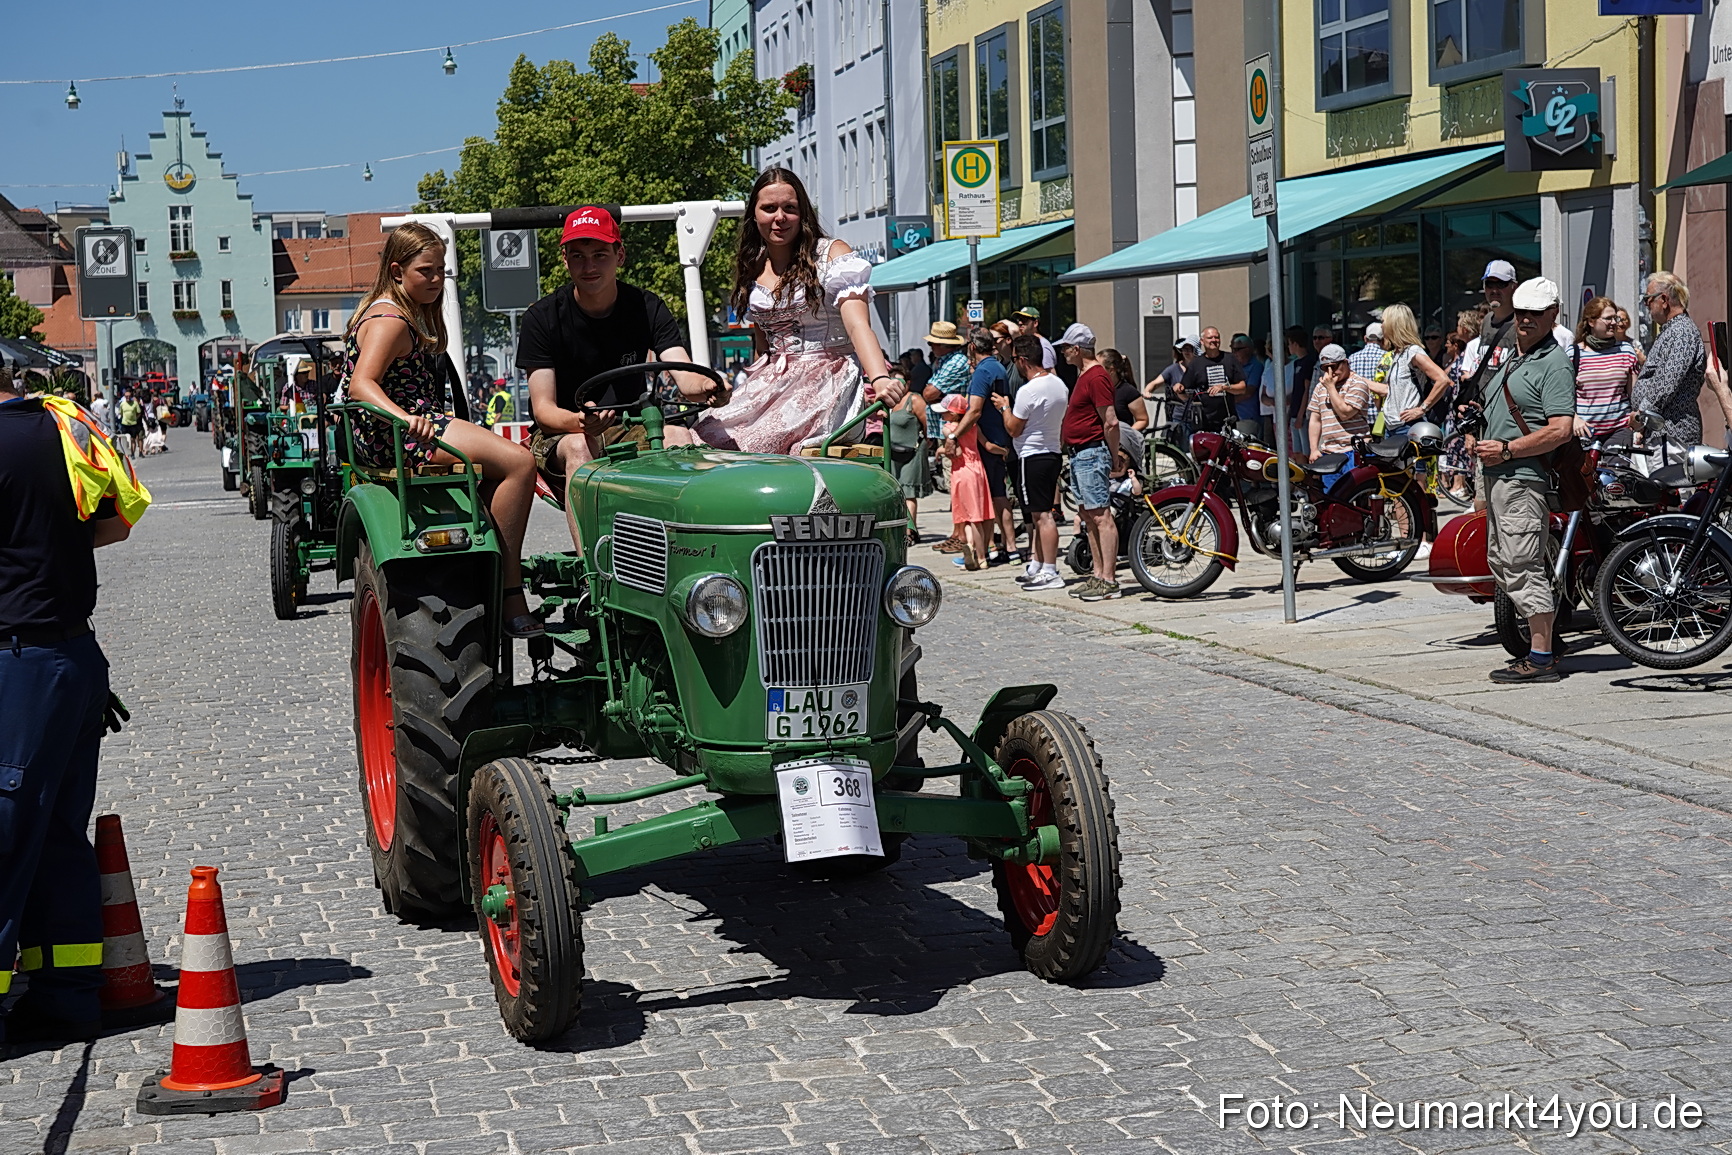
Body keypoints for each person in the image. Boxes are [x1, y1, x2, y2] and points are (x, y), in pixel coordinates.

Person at [0, 363, 153, 1044]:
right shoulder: (69, 425)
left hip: (15, 664)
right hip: (72, 659)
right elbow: (118, 524)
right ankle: (65, 997)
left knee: (7, 834)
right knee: (58, 834)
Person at [343, 222, 542, 638]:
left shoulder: (394, 310)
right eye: (426, 271)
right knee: (521, 463)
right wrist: (403, 418)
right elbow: (361, 385)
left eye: (441, 270)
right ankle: (509, 590)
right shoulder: (390, 319)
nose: (436, 279)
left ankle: (485, 551)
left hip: (404, 427)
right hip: (401, 434)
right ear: (397, 271)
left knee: (503, 461)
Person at [520, 207, 721, 551]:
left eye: (600, 255)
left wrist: (709, 387)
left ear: (620, 256)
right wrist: (580, 422)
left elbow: (686, 377)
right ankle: (591, 567)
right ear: (565, 260)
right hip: (563, 433)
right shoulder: (541, 318)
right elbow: (544, 411)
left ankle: (683, 554)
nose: (589, 266)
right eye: (578, 256)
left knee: (679, 435)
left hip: (632, 425)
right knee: (582, 446)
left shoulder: (646, 306)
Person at [693, 168, 901, 453]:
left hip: (826, 379)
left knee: (756, 443)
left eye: (789, 208)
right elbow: (764, 350)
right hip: (774, 383)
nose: (779, 217)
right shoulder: (754, 265)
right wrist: (746, 392)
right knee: (702, 435)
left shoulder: (830, 254)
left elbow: (857, 326)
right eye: (769, 208)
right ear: (754, 215)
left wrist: (879, 378)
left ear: (802, 213)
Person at [1471, 277, 1576, 684]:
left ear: (1553, 314)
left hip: (1520, 476)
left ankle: (1542, 657)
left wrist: (1508, 449)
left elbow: (1561, 429)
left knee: (1521, 563)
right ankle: (1545, 640)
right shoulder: (1516, 355)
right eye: (1520, 313)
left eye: (1534, 313)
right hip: (1498, 474)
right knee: (1502, 561)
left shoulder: (1553, 363)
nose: (1525, 319)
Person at [1058, 324, 1126, 601]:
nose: (1063, 352)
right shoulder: (1085, 375)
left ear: (1077, 349)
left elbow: (1110, 421)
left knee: (1101, 516)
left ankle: (1109, 580)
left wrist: (1113, 455)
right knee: (1088, 515)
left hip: (1091, 452)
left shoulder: (1096, 376)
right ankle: (1098, 575)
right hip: (1079, 453)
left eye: (1066, 347)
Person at [996, 333, 1067, 592]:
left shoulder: (1028, 391)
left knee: (1043, 515)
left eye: (1015, 358)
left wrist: (1004, 407)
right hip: (1052, 452)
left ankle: (1050, 570)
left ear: (1023, 360)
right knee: (1039, 514)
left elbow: (1014, 428)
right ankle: (1037, 564)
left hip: (1032, 454)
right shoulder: (1059, 385)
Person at [947, 332, 1016, 566]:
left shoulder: (982, 371)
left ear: (973, 347)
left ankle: (986, 552)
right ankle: (1004, 547)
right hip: (999, 437)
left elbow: (974, 410)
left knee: (985, 502)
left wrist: (954, 435)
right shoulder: (998, 367)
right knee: (997, 496)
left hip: (987, 443)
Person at [1634, 272, 1708, 451]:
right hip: (1662, 434)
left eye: (1648, 299)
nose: (1646, 305)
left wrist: (1640, 416)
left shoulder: (1681, 332)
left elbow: (1666, 383)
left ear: (1664, 300)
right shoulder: (1672, 330)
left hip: (1673, 435)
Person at [922, 322, 972, 552]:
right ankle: (957, 532)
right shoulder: (943, 361)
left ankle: (961, 536)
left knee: (956, 484)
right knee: (953, 485)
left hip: (953, 430)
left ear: (945, 345)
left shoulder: (955, 362)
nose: (931, 346)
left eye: (934, 342)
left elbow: (929, 393)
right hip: (945, 428)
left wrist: (932, 394)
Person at [1373, 303, 1453, 438]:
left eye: (1383, 321)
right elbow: (1390, 390)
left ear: (1394, 324)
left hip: (1407, 427)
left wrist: (1422, 408)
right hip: (1392, 427)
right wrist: (1357, 379)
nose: (1381, 326)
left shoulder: (1413, 351)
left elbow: (1443, 379)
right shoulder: (1397, 353)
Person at [1304, 344, 1373, 492]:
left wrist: (1330, 388)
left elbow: (1345, 413)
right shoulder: (1320, 387)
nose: (1330, 372)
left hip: (1354, 451)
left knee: (1355, 494)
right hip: (1330, 453)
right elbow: (1315, 419)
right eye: (1325, 368)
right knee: (1332, 497)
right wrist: (1314, 449)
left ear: (1345, 362)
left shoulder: (1358, 383)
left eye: (1334, 367)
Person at [936, 393, 991, 570]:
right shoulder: (973, 426)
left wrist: (940, 450)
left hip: (962, 472)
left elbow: (957, 452)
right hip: (978, 470)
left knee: (970, 518)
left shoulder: (949, 429)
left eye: (944, 412)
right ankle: (974, 551)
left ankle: (978, 556)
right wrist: (1003, 451)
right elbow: (986, 445)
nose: (941, 415)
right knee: (975, 517)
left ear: (953, 414)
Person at [1571, 296, 1638, 440]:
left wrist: (1637, 424)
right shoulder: (1574, 353)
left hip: (1619, 430)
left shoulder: (1626, 351)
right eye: (1608, 319)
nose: (1614, 323)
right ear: (1591, 322)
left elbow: (1634, 395)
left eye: (1615, 318)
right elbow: (1563, 395)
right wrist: (1574, 418)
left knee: (1615, 456)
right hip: (1584, 433)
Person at [884, 369, 929, 544]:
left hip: (913, 451)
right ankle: (900, 529)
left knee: (909, 492)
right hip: (892, 451)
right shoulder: (889, 401)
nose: (897, 385)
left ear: (908, 383)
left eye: (901, 382)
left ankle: (910, 532)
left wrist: (925, 444)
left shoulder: (915, 400)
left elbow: (927, 425)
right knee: (896, 490)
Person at [1172, 327, 1244, 432]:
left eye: (1216, 337)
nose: (1214, 340)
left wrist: (1224, 387)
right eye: (1210, 338)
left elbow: (1242, 388)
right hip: (1203, 421)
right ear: (1202, 341)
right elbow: (1185, 396)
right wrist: (1179, 390)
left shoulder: (1230, 359)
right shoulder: (1196, 364)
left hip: (1227, 420)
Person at [1229, 334, 1264, 431]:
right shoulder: (1234, 366)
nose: (1234, 352)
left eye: (1237, 349)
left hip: (1248, 417)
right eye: (1233, 349)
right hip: (1233, 417)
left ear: (1247, 349)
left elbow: (1248, 392)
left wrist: (1229, 401)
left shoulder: (1256, 366)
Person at [116, 390, 143, 457]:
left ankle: (132, 453)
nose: (128, 397)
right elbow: (121, 413)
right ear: (124, 397)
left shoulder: (135, 403)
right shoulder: (122, 404)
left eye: (129, 396)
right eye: (126, 396)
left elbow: (139, 412)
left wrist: (135, 418)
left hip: (133, 424)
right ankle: (125, 453)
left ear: (131, 397)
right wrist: (124, 418)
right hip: (125, 424)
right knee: (125, 439)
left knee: (133, 439)